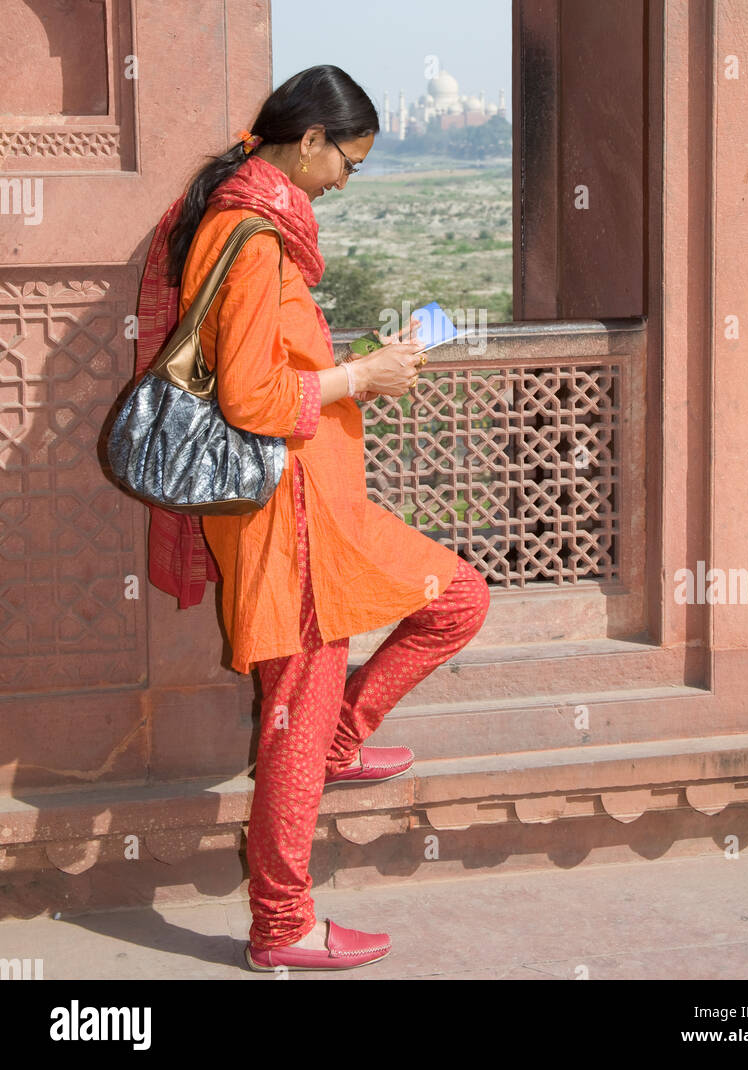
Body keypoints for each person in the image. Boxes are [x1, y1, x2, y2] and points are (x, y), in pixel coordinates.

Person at [136, 64, 491, 971]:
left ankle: (339, 739)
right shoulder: (251, 237)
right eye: (349, 164)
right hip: (284, 520)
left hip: (317, 505)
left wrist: (360, 365)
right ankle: (281, 926)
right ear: (310, 142)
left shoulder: (252, 218)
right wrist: (360, 379)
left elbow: (269, 363)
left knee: (456, 599)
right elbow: (255, 397)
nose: (346, 181)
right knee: (293, 712)